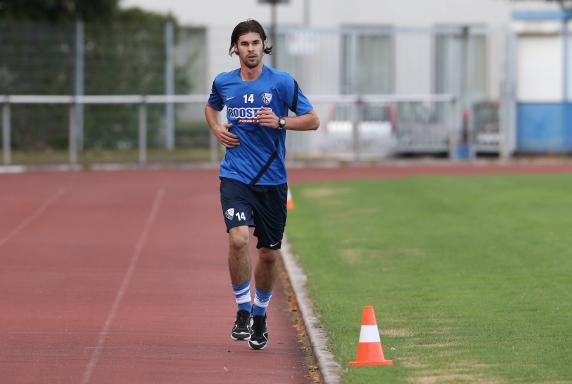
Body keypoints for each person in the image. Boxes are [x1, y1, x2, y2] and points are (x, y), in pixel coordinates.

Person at [204, 19, 319, 350]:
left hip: (272, 181)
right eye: (244, 44)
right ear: (235, 48)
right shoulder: (224, 82)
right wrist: (215, 128)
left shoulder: (281, 82)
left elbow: (313, 120)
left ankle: (260, 314)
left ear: (264, 46)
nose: (251, 49)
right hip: (235, 175)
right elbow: (211, 109)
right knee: (238, 240)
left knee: (268, 254)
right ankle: (242, 310)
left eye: (256, 43)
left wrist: (281, 121)